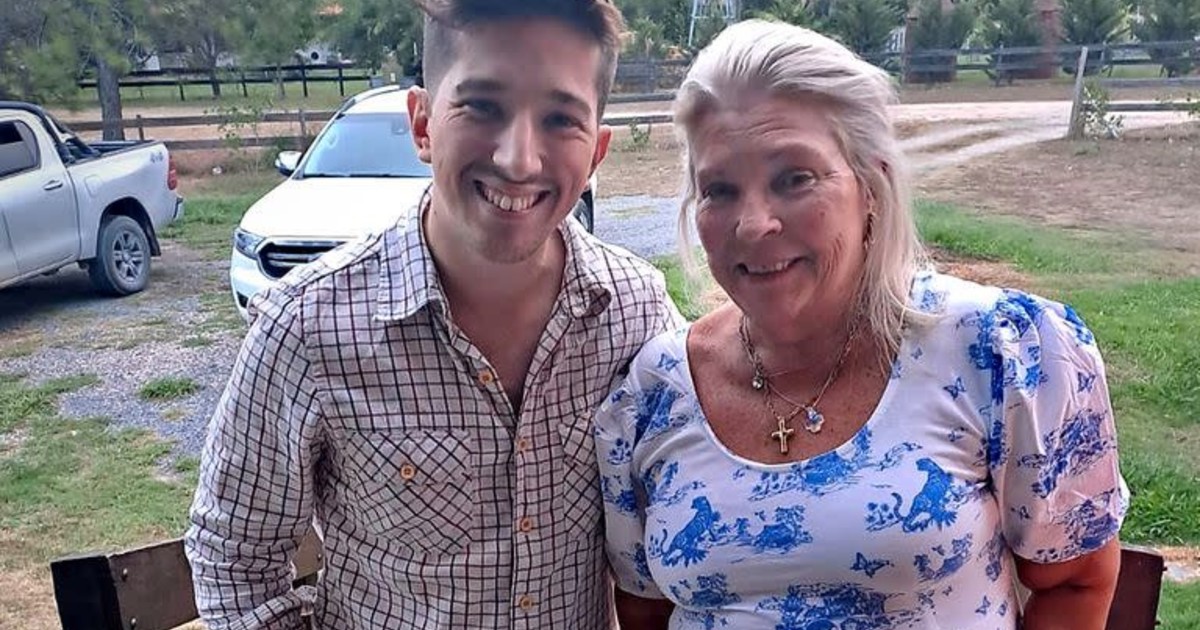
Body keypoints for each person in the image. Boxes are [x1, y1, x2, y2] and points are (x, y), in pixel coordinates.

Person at [595, 20, 1126, 630]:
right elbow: (645, 608)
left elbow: (1076, 580)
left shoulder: (1001, 353)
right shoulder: (653, 393)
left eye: (794, 178)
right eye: (719, 189)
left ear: (871, 184)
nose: (754, 224)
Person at [184, 1, 683, 628]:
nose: (519, 159)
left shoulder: (637, 314)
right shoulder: (307, 328)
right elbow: (234, 558)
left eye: (561, 119)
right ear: (422, 124)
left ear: (597, 153)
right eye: (483, 106)